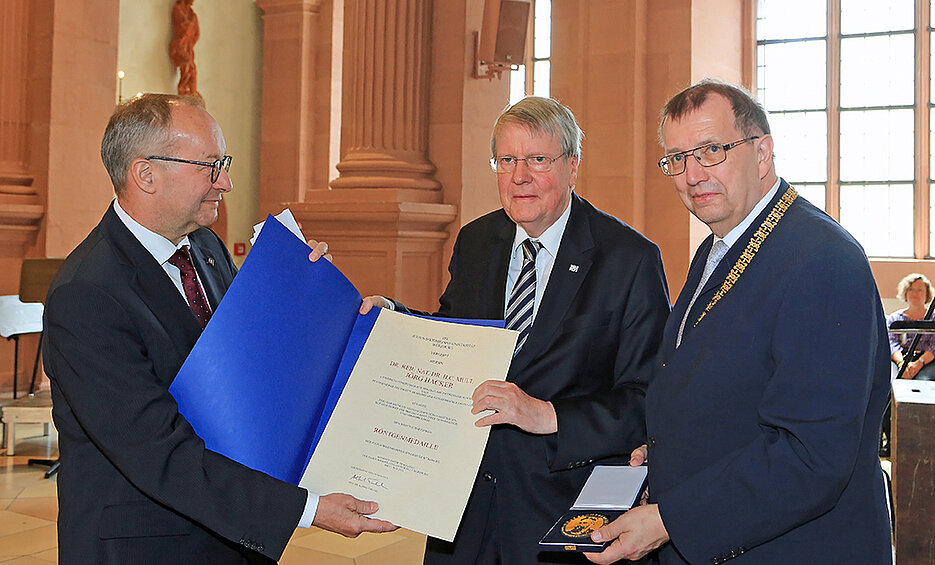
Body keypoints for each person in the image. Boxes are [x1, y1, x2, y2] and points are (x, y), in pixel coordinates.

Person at [42, 94, 395, 564]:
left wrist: (297, 292)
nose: (225, 182)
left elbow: (241, 366)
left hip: (225, 532)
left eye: (223, 163)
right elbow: (155, 450)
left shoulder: (205, 248)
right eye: (210, 166)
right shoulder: (87, 293)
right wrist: (307, 508)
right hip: (145, 545)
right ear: (146, 175)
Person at [586, 80, 892, 564]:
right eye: (676, 159)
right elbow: (724, 384)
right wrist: (669, 451)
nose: (691, 175)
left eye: (711, 150)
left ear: (763, 153)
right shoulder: (717, 246)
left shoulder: (822, 259)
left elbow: (811, 455)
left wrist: (670, 519)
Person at [358, 96, 671, 564]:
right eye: (507, 160)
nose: (519, 175)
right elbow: (454, 338)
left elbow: (646, 400)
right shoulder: (477, 240)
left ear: (572, 166)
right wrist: (393, 317)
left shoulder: (628, 259)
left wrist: (547, 414)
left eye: (538, 160)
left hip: (561, 513)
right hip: (463, 514)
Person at [887, 273, 935, 380]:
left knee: (923, 382)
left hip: (927, 361)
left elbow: (933, 345)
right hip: (900, 359)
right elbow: (892, 343)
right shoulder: (895, 318)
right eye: (911, 289)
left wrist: (919, 363)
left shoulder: (933, 317)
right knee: (893, 380)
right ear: (905, 292)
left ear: (927, 293)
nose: (915, 293)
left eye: (919, 290)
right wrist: (901, 364)